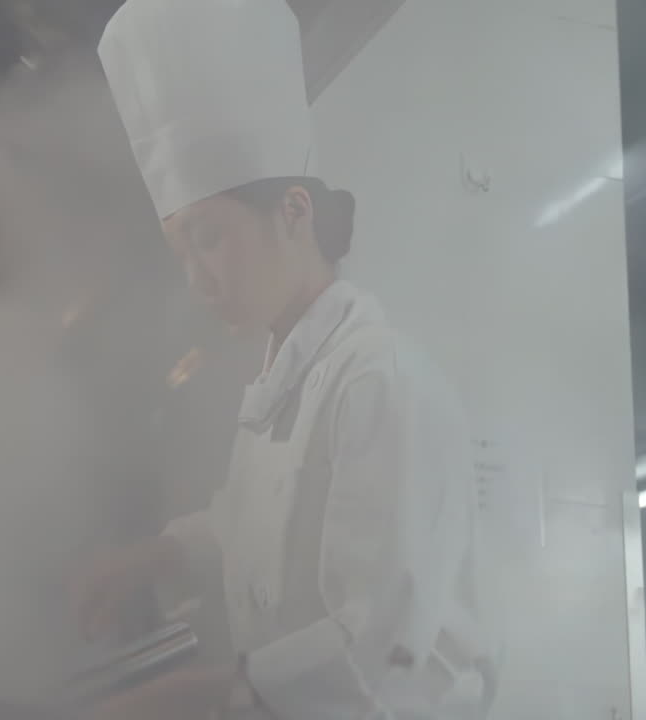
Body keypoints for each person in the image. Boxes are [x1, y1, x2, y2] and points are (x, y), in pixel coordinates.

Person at [74, 1, 495, 718]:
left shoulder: (377, 382)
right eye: (181, 251)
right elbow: (263, 523)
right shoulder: (286, 373)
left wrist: (185, 694)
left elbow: (381, 654)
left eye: (208, 237)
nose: (196, 277)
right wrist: (157, 554)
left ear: (294, 214)